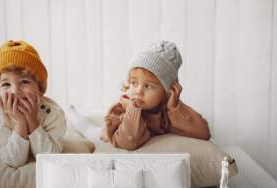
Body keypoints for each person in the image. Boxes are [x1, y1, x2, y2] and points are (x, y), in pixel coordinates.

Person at [66, 41, 211, 150]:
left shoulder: (168, 108)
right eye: (134, 83)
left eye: (148, 86)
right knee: (88, 129)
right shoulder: (123, 108)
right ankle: (71, 113)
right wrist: (132, 110)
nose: (138, 91)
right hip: (105, 136)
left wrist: (175, 107)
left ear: (166, 91)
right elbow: (128, 143)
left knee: (90, 126)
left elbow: (203, 133)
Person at [0, 40, 66, 167]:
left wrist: (32, 120)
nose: (15, 91)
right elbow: (14, 160)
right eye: (6, 84)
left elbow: (49, 157)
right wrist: (21, 122)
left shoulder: (54, 114)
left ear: (40, 89)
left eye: (24, 81)